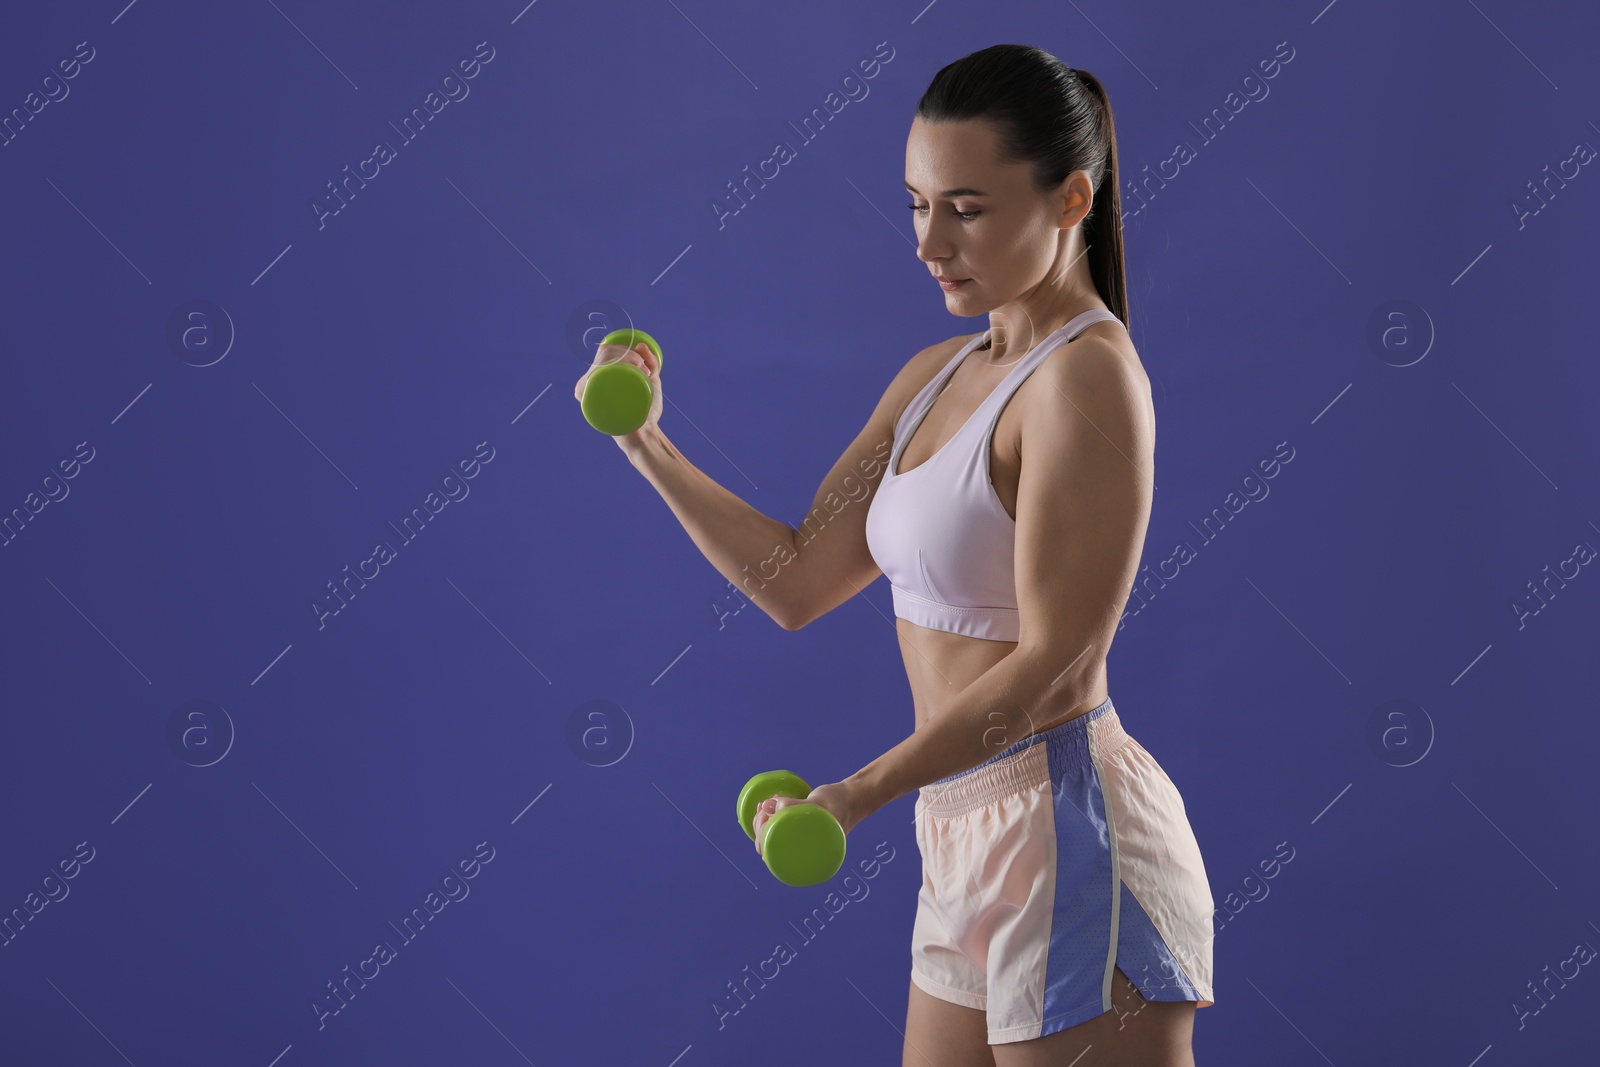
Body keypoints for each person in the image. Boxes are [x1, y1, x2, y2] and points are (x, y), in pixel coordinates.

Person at [575, 42, 1214, 1067]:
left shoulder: (1084, 382)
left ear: (1068, 200)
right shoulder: (936, 373)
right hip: (958, 834)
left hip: (1068, 836)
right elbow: (797, 579)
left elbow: (1056, 664)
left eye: (965, 207)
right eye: (917, 204)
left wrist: (856, 792)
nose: (929, 241)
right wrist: (643, 439)